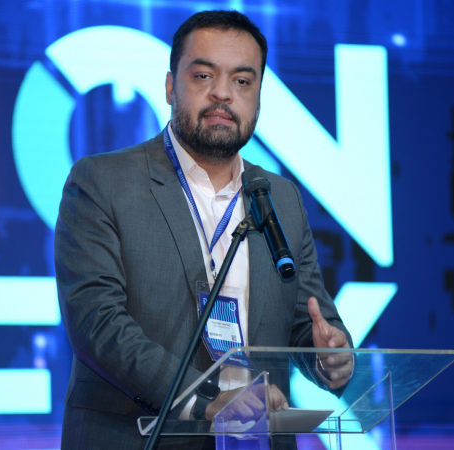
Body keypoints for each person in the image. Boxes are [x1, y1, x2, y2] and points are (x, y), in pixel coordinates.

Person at [55, 10, 352, 450]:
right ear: (170, 86)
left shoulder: (280, 198)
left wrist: (329, 357)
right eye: (203, 76)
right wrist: (206, 399)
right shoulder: (104, 182)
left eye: (242, 81)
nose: (223, 93)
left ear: (258, 97)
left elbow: (306, 321)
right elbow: (97, 325)